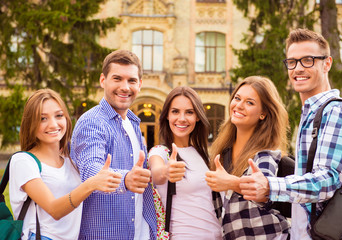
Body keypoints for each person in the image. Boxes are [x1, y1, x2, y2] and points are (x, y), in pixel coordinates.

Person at [237, 28, 342, 240]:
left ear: (327, 64)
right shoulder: (312, 114)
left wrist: (270, 185)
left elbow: (327, 181)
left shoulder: (334, 111)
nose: (298, 68)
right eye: (292, 62)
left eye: (308, 60)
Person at [9, 89, 122, 240]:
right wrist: (91, 184)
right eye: (43, 118)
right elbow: (54, 209)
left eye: (59, 115)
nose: (53, 124)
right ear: (31, 124)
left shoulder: (70, 163)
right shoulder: (23, 161)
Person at [70, 50, 156, 239]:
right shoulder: (92, 122)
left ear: (140, 84)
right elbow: (91, 169)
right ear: (103, 80)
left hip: (138, 233)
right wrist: (125, 179)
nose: (125, 87)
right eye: (117, 79)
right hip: (104, 234)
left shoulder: (133, 123)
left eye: (132, 81)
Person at [205, 76, 290, 239]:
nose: (239, 105)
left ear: (263, 114)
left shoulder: (266, 154)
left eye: (249, 102)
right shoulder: (223, 154)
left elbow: (263, 193)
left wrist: (231, 182)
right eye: (237, 98)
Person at [148, 86, 222, 239]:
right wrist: (166, 171)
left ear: (198, 117)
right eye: (175, 111)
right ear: (167, 115)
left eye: (189, 112)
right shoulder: (160, 152)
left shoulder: (203, 155)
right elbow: (156, 173)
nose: (182, 118)